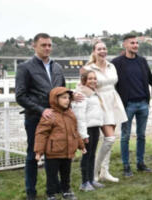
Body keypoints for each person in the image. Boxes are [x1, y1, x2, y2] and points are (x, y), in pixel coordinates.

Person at [15, 33, 66, 199]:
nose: (47, 48)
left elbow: (62, 92)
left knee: (55, 154)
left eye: (49, 45)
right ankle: (31, 191)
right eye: (43, 45)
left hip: (57, 118)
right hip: (35, 118)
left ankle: (54, 187)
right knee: (33, 155)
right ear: (34, 46)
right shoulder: (25, 67)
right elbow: (20, 96)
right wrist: (41, 110)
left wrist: (72, 96)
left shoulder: (57, 67)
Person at [82, 42, 126, 183]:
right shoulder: (88, 68)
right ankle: (94, 172)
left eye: (104, 48)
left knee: (110, 141)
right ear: (94, 51)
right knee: (109, 138)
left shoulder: (111, 66)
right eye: (99, 49)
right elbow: (82, 87)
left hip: (113, 101)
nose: (102, 51)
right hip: (99, 103)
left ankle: (104, 171)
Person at [34, 87, 86, 200]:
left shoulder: (71, 114)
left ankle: (66, 191)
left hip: (68, 152)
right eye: (63, 98)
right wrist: (38, 151)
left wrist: (81, 145)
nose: (67, 100)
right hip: (53, 153)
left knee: (66, 174)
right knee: (52, 175)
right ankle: (51, 194)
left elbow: (75, 131)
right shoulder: (50, 115)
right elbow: (41, 134)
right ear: (55, 99)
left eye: (68, 98)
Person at [112, 34, 152, 176]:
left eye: (136, 43)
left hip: (143, 104)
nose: (135, 45)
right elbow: (112, 84)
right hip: (127, 105)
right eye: (132, 43)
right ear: (125, 45)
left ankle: (140, 163)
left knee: (141, 135)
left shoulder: (142, 61)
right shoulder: (116, 63)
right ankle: (126, 166)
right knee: (125, 136)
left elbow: (151, 80)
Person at [72, 70, 104, 191]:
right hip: (87, 130)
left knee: (92, 155)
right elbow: (80, 117)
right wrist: (83, 134)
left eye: (94, 78)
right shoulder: (81, 94)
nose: (93, 81)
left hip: (95, 127)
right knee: (86, 156)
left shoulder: (93, 92)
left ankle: (91, 180)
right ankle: (84, 182)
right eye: (90, 79)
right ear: (84, 80)